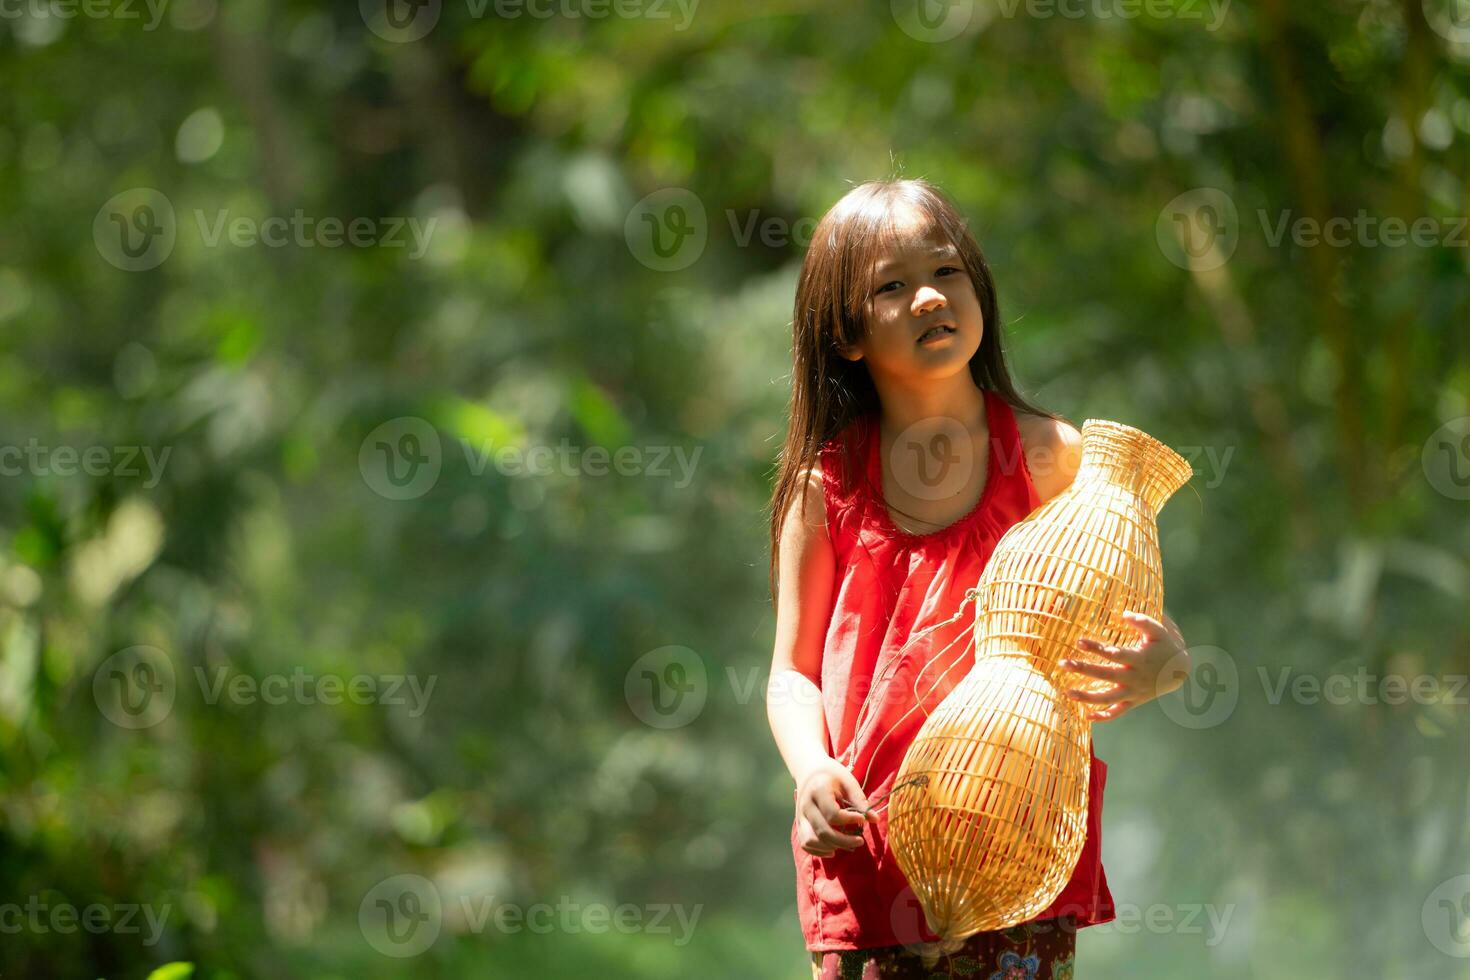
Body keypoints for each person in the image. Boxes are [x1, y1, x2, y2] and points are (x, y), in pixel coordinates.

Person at [765, 177, 1192, 979]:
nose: (930, 297)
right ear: (846, 334)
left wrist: (1164, 665)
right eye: (892, 286)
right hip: (870, 861)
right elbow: (791, 671)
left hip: (1019, 853)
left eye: (948, 273)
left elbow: (1128, 623)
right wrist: (813, 769)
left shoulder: (1054, 460)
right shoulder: (825, 487)